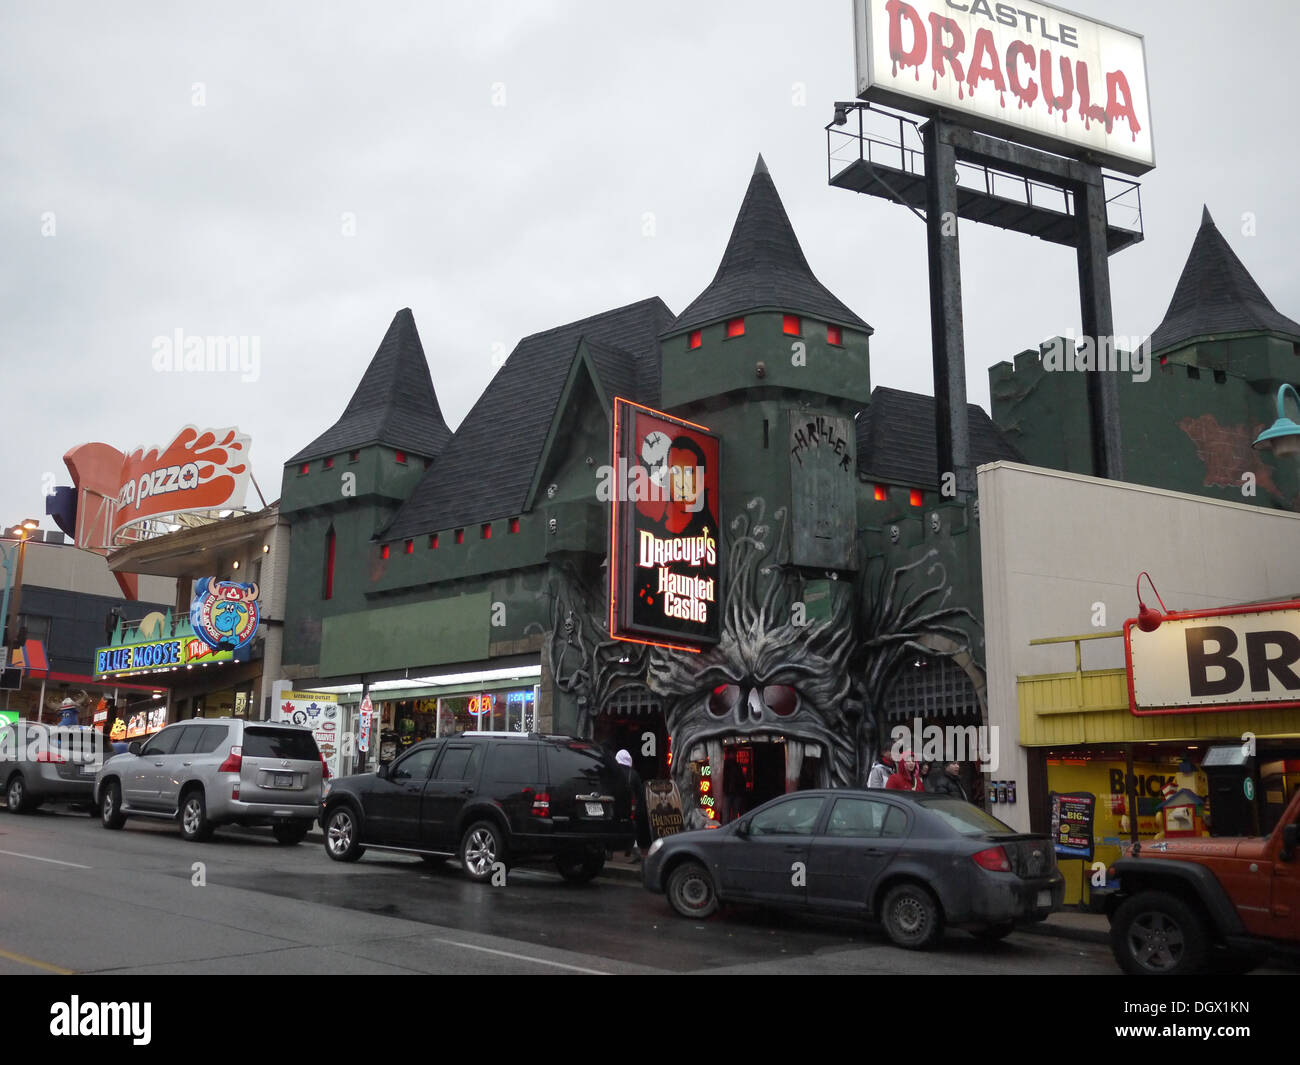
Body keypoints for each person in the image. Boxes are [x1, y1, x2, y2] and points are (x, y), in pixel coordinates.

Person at [615, 749, 650, 861]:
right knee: (632, 827)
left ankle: (610, 851)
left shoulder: (614, 772)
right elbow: (640, 793)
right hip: (630, 807)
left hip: (616, 806)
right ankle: (632, 849)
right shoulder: (633, 774)